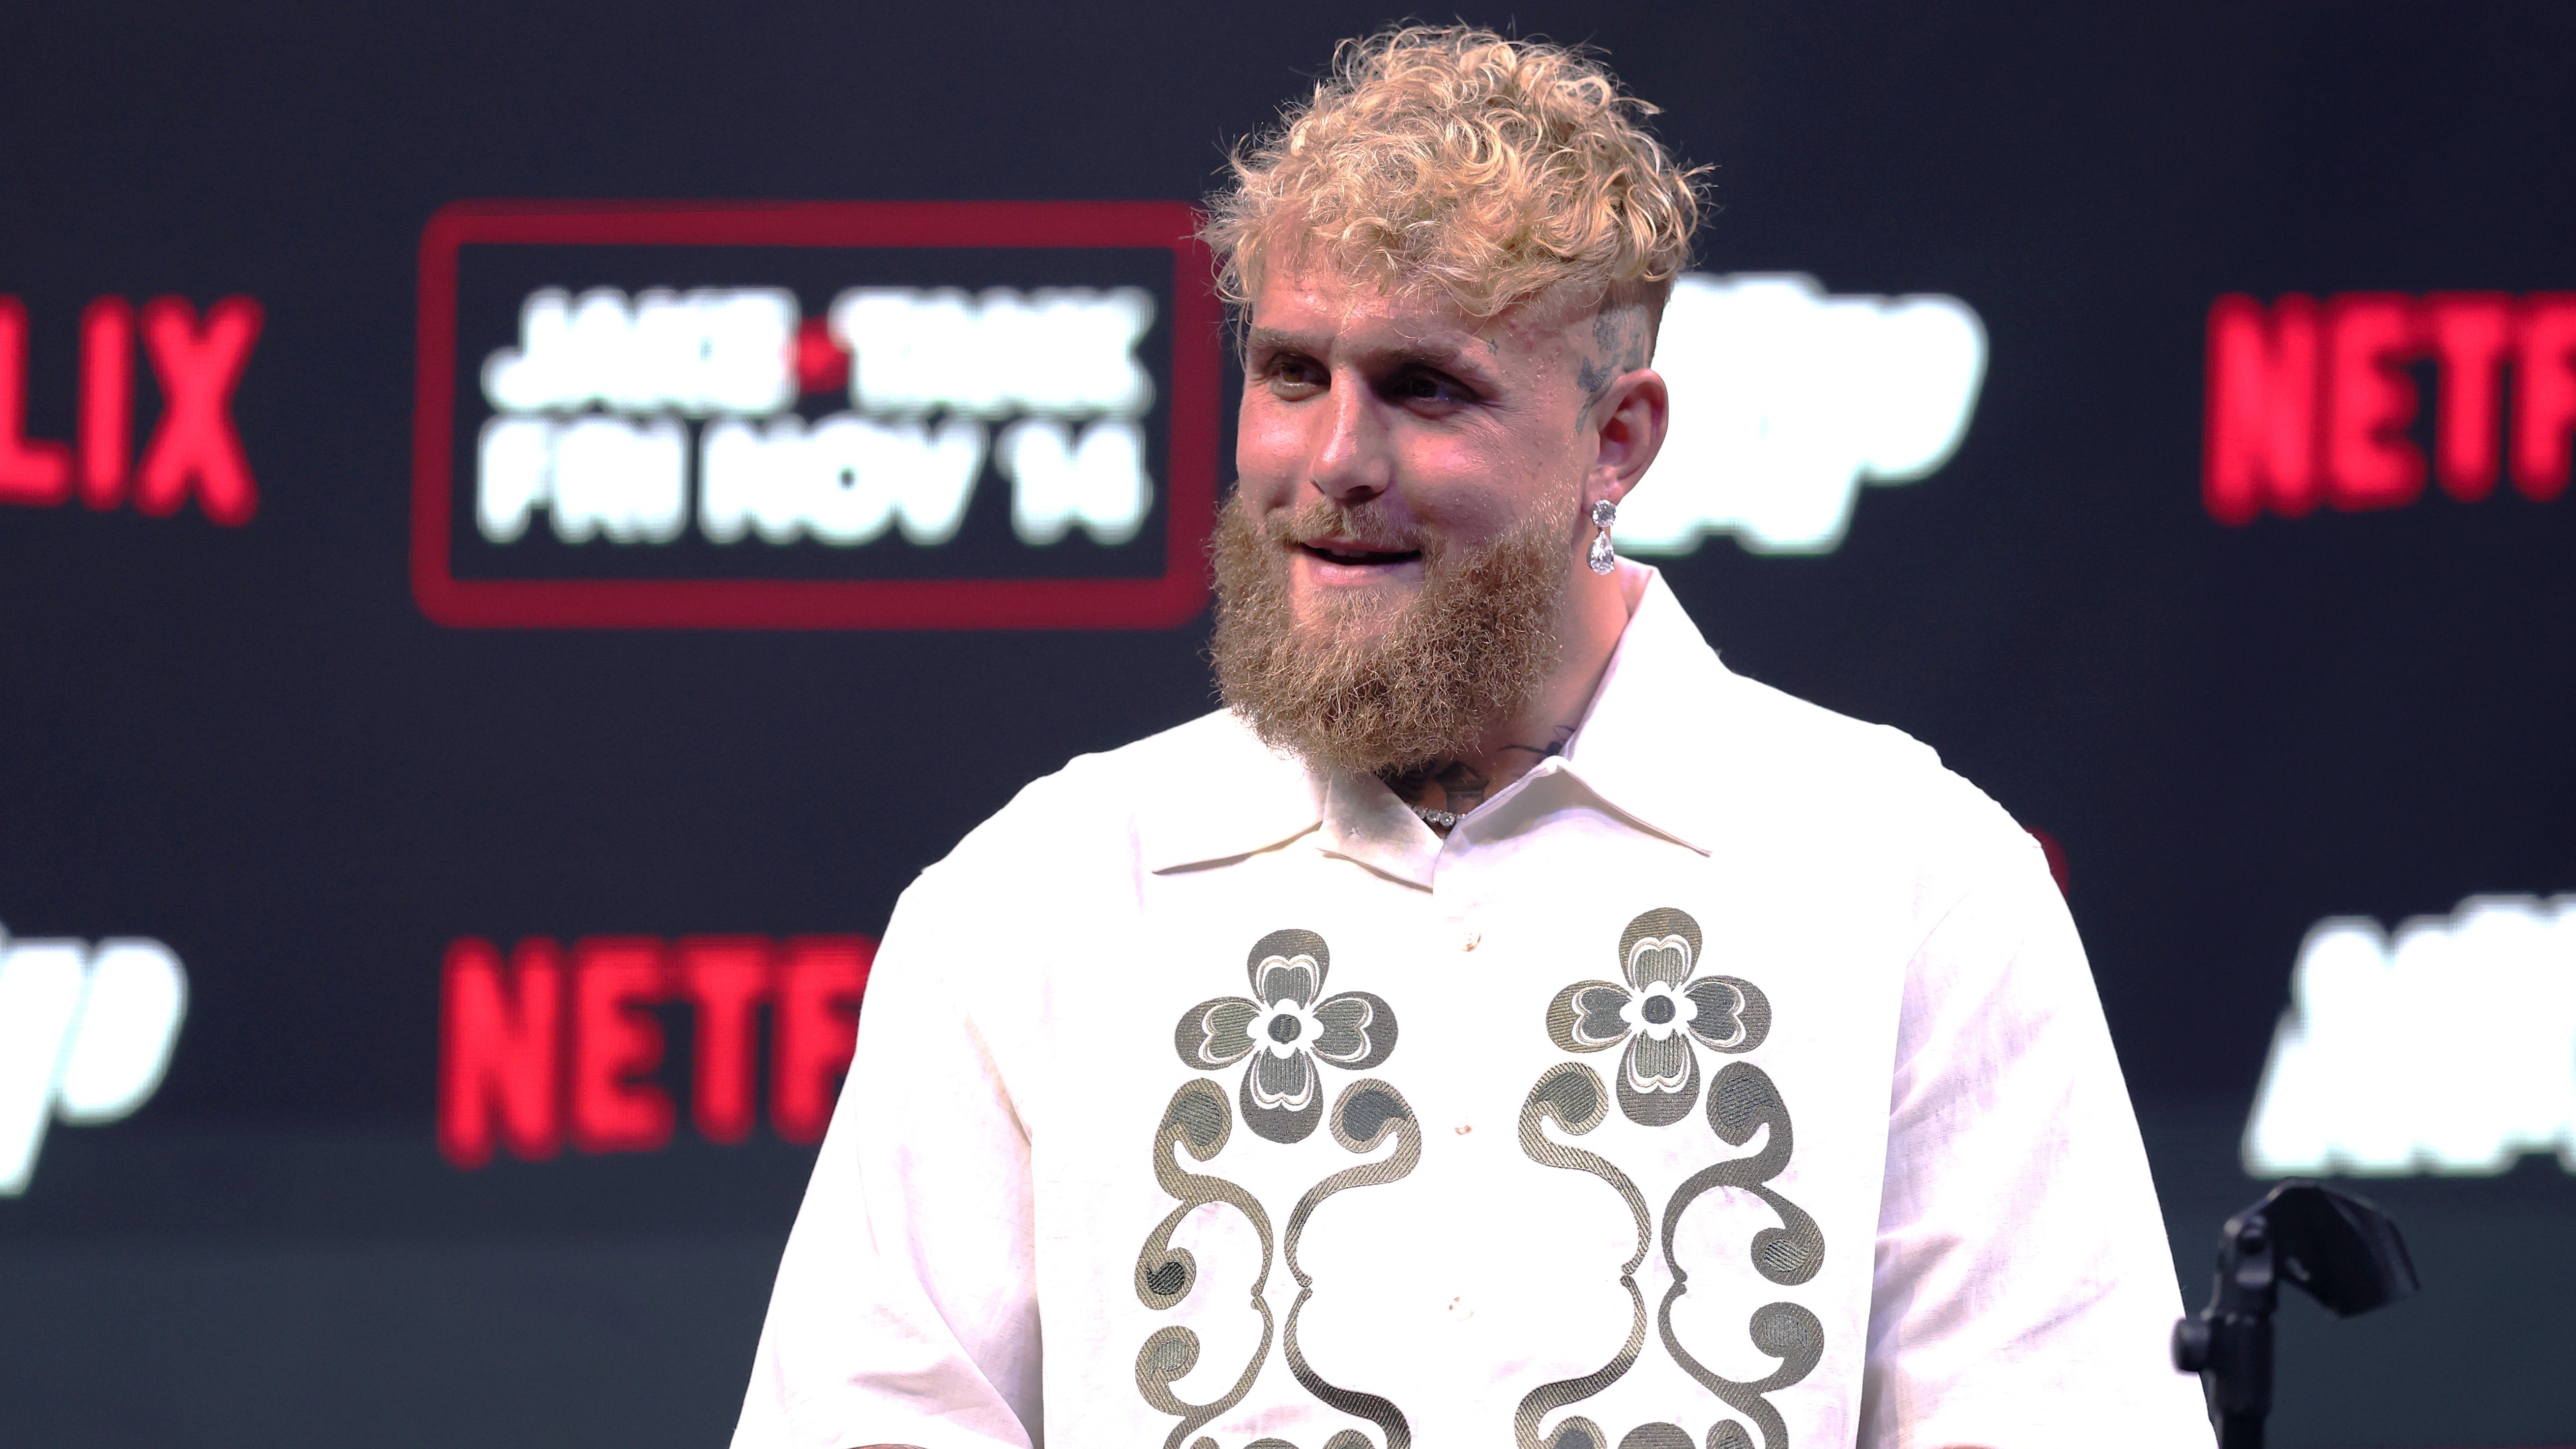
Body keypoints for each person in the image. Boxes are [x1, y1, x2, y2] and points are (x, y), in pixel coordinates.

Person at [734, 26, 2211, 1449]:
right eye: (1294, 373)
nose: (1334, 464)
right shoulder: (1038, 900)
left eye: (1425, 389)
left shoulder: (1908, 879)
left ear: (1617, 440)